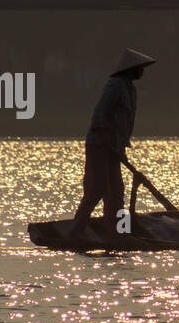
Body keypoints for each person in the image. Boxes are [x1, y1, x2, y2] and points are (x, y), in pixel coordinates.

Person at [66, 49, 156, 242]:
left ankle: (118, 233)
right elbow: (99, 111)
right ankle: (76, 232)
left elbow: (126, 122)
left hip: (115, 148)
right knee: (97, 188)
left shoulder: (130, 90)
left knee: (116, 191)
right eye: (140, 68)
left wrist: (120, 146)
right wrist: (105, 135)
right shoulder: (115, 85)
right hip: (99, 144)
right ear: (131, 69)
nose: (142, 72)